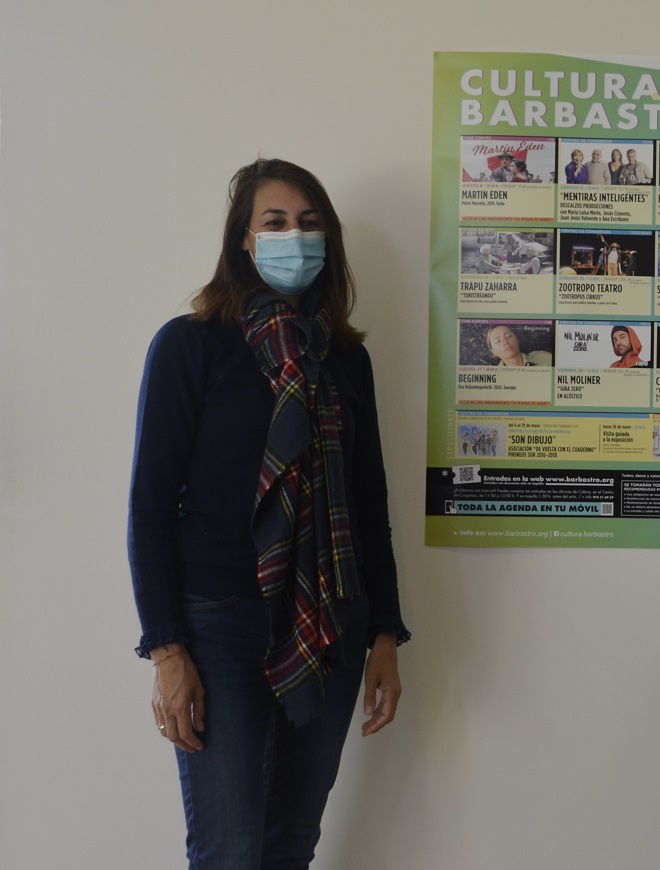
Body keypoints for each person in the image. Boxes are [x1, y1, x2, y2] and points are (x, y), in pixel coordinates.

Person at [128, 159, 411, 868]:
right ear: (244, 242)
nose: (295, 236)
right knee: (231, 849)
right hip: (219, 624)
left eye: (310, 224)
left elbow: (368, 499)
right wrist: (166, 651)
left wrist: (384, 633)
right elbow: (151, 503)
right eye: (276, 222)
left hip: (330, 623)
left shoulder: (345, 360)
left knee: (289, 847)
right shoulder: (190, 345)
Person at [486, 323, 551, 366]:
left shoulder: (544, 357)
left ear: (517, 340)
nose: (505, 342)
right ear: (493, 352)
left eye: (508, 336)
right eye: (498, 341)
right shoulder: (495, 374)